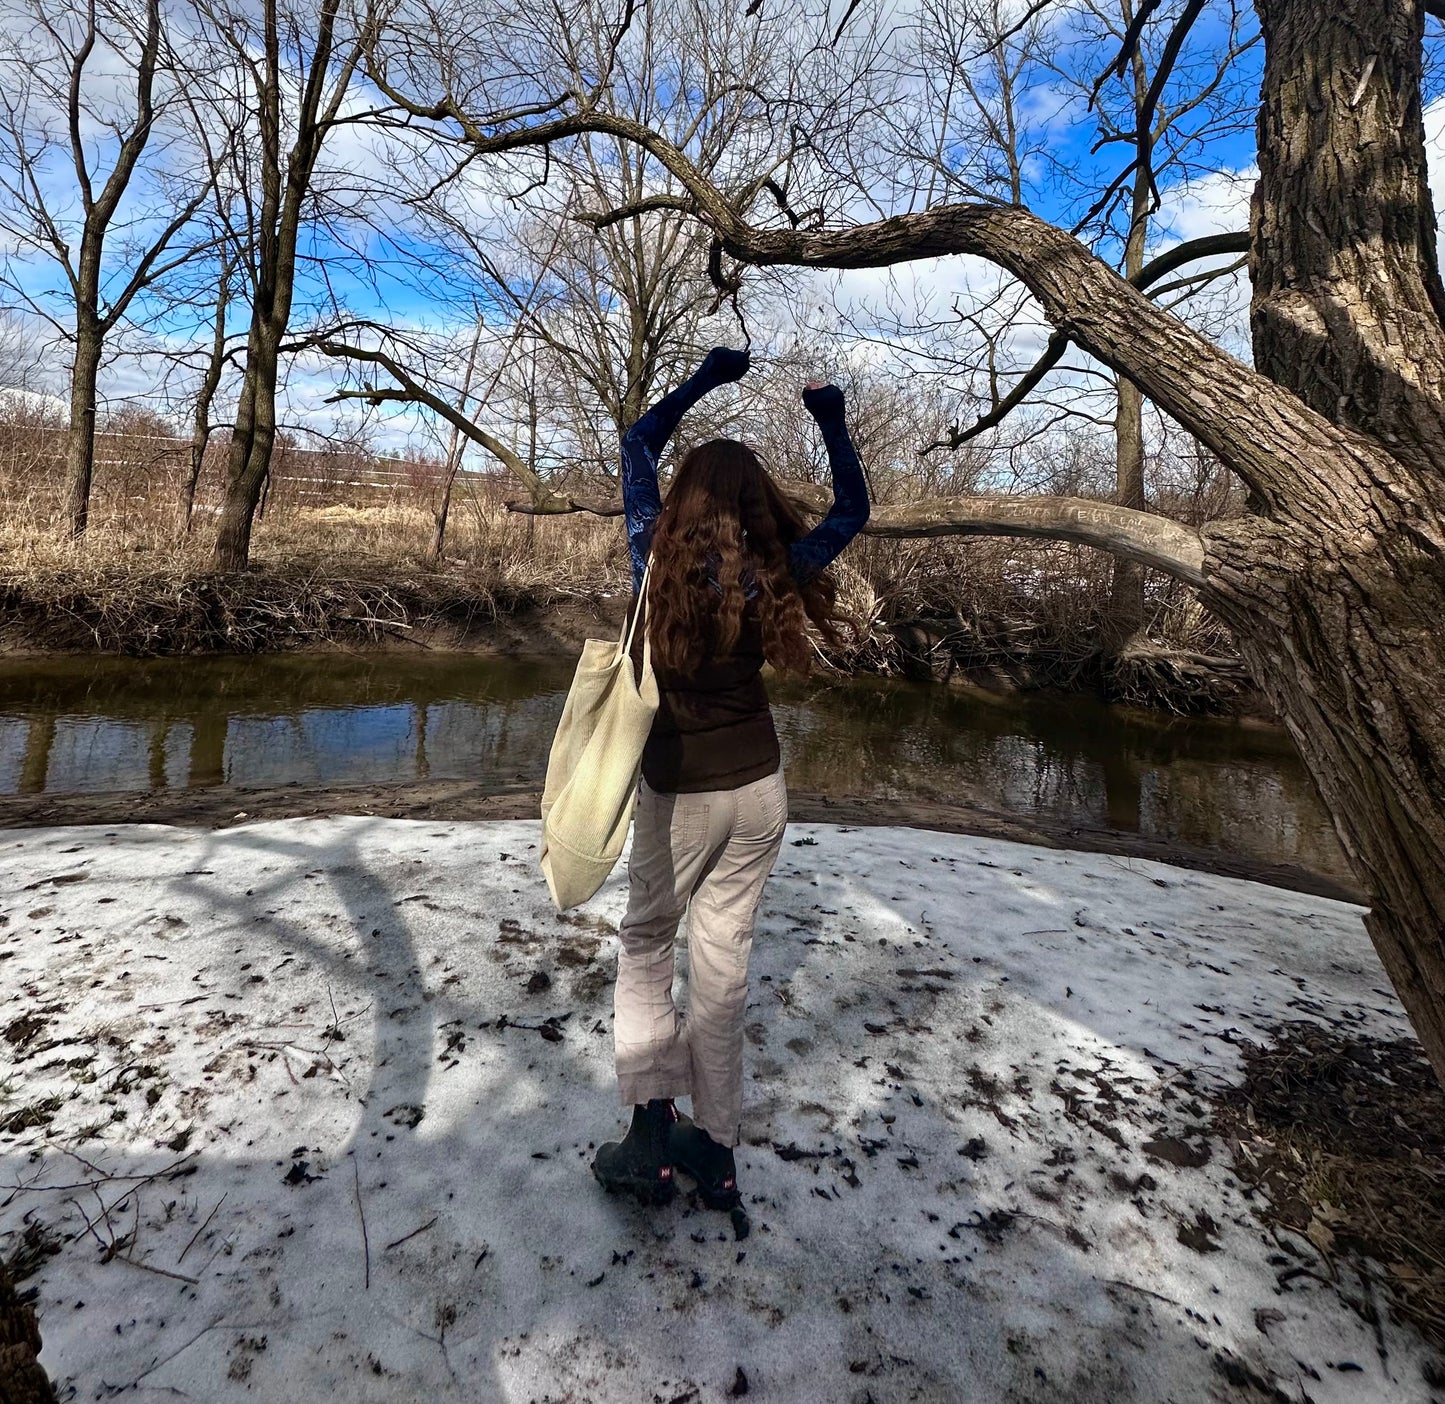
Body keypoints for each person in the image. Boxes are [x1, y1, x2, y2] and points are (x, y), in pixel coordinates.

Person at [591, 345, 870, 1211]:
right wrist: (828, 414)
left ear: (683, 500)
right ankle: (715, 1150)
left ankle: (649, 1138)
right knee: (721, 965)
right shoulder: (777, 571)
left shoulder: (654, 551)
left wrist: (708, 378)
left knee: (645, 944)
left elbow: (638, 442)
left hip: (680, 791)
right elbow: (854, 509)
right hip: (760, 794)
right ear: (754, 503)